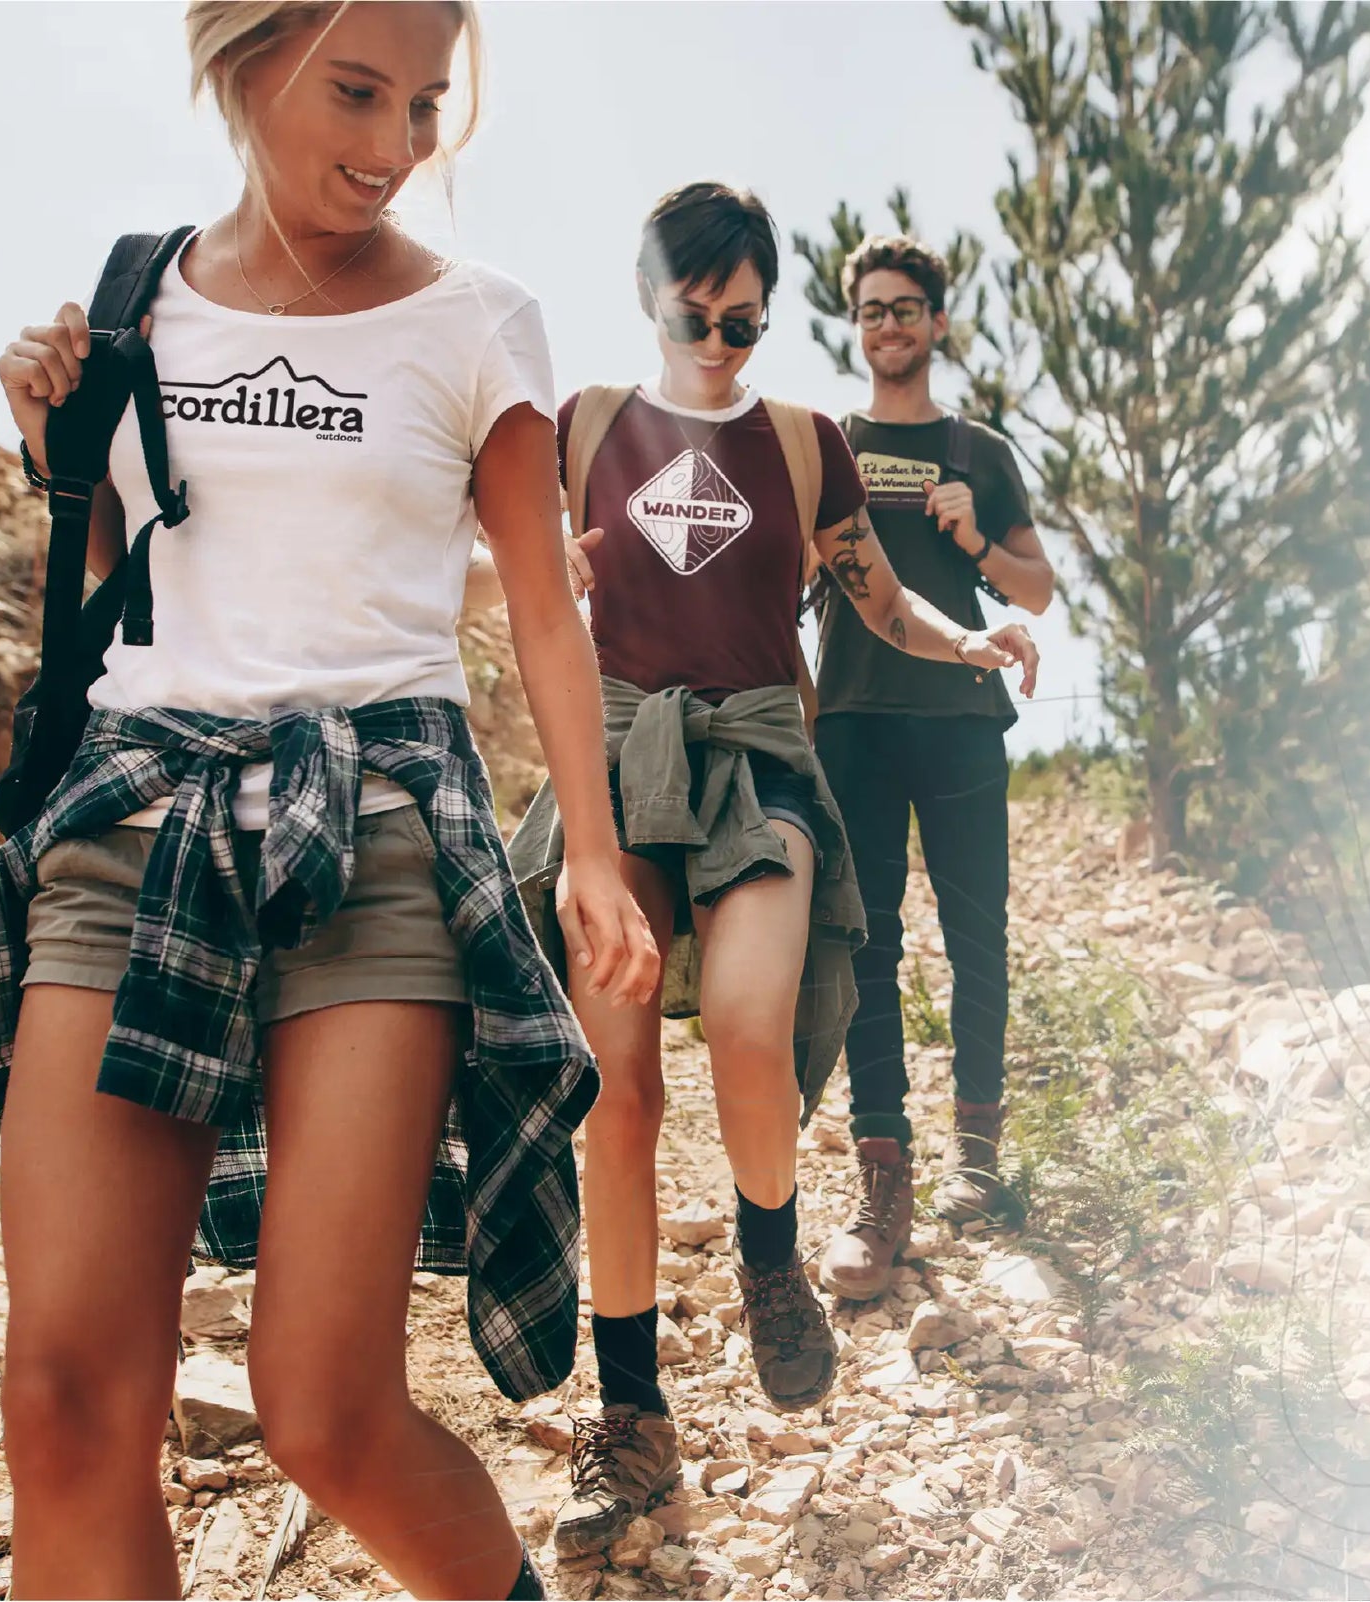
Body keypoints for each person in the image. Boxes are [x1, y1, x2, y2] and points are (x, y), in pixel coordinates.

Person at [0, 4, 658, 1596]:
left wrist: (592, 851)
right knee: (61, 1405)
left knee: (323, 1408)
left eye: (425, 103)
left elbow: (544, 608)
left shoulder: (483, 321)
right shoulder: (133, 305)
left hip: (378, 830)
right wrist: (54, 447)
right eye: (356, 91)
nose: (396, 144)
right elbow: (126, 595)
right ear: (242, 61)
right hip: (134, 827)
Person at [497, 182, 1040, 1560]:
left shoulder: (803, 445)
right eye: (699, 309)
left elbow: (879, 597)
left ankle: (768, 1254)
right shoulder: (587, 428)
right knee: (614, 1090)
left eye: (746, 314)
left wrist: (965, 639)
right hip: (615, 762)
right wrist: (527, 569)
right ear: (652, 293)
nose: (722, 336)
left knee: (749, 1020)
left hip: (758, 757)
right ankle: (634, 1421)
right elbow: (480, 560)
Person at [812, 235, 1058, 1302]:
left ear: (938, 323)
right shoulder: (823, 445)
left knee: (977, 939)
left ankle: (981, 1159)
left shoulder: (981, 450)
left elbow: (1038, 590)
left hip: (961, 719)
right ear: (854, 326)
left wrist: (976, 548)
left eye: (906, 308)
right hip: (854, 721)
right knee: (865, 946)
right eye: (870, 310)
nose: (889, 325)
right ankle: (883, 1173)